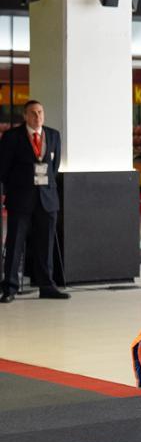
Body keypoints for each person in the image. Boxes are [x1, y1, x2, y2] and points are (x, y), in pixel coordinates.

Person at [0, 100, 67, 303]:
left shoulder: (53, 135)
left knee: (45, 245)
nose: (37, 117)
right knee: (15, 244)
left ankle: (46, 285)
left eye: (40, 112)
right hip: (21, 198)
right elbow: (3, 168)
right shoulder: (12, 137)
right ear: (25, 116)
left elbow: (53, 167)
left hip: (47, 198)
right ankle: (9, 288)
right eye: (33, 113)